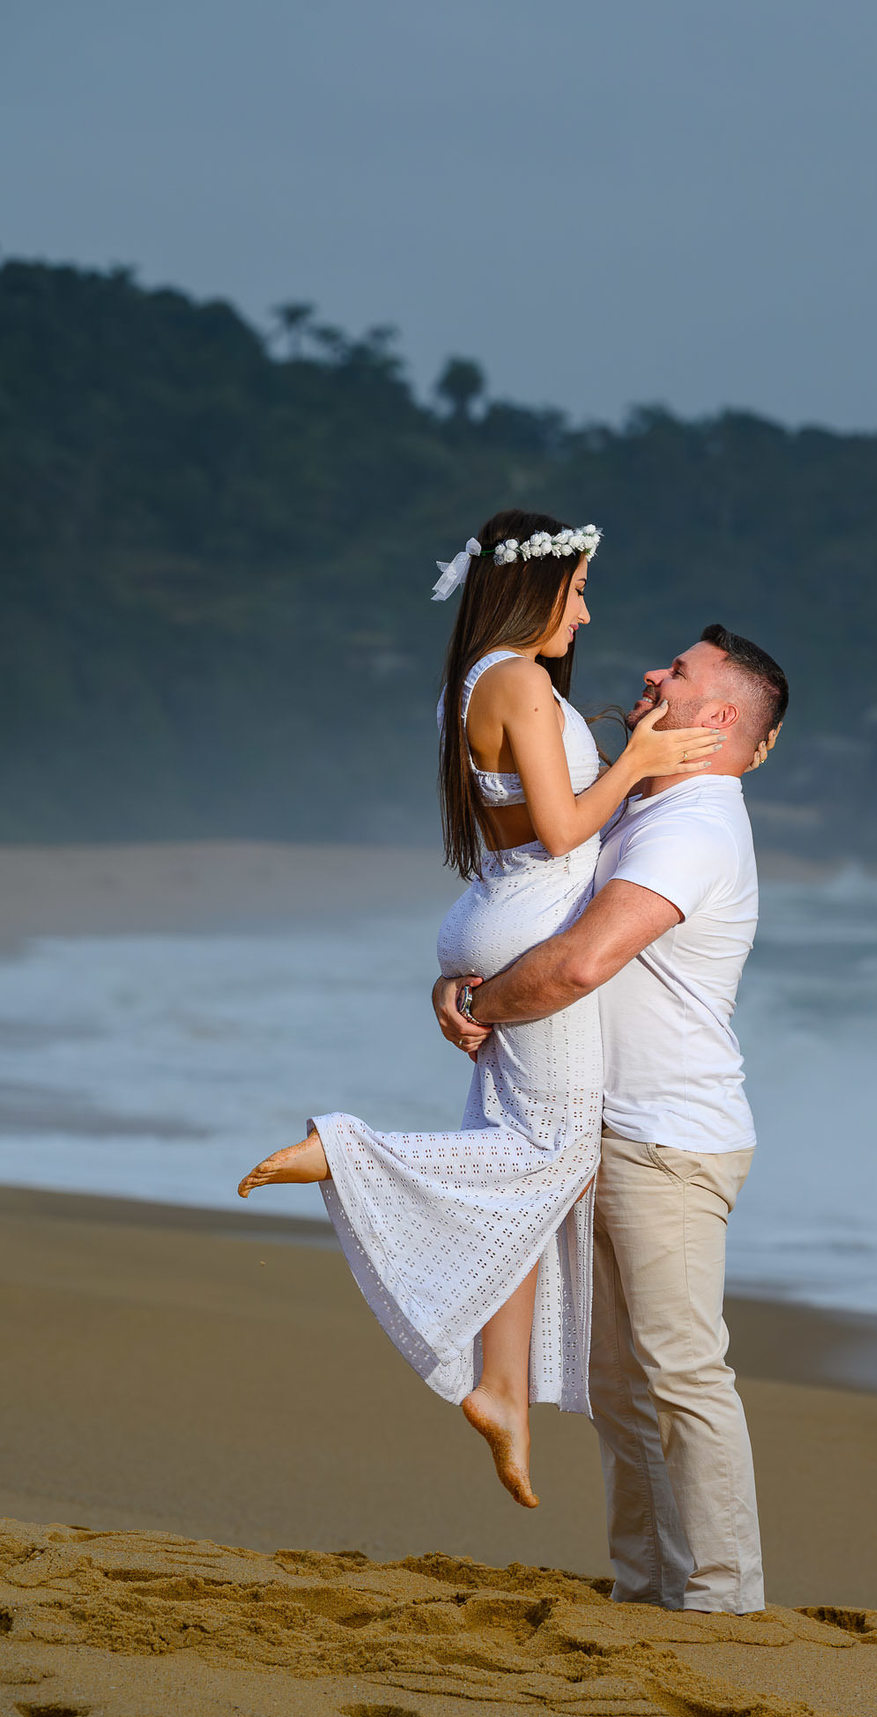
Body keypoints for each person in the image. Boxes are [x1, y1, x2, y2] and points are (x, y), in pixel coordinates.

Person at [237, 511, 722, 1509]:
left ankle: (501, 1387)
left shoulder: (483, 680)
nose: (586, 613)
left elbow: (540, 821)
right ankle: (346, 1149)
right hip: (532, 926)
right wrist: (634, 766)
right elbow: (560, 829)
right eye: (579, 590)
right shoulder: (520, 681)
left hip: (498, 916)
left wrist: (620, 756)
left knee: (520, 1165)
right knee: (553, 1155)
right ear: (535, 588)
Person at [434, 624, 788, 1614]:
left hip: (668, 1139)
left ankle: (721, 1600)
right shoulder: (640, 804)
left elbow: (585, 959)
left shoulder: (694, 826)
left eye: (678, 672)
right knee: (620, 1386)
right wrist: (463, 982)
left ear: (716, 718)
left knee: (680, 1374)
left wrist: (482, 1004)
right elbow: (529, 915)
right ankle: (649, 1586)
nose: (651, 673)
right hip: (608, 1126)